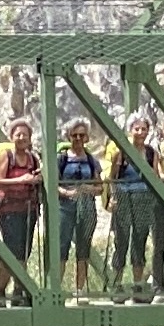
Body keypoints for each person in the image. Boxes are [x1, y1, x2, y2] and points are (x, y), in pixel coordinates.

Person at [109, 112, 163, 297]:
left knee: (139, 240)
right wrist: (113, 198)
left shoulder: (151, 153)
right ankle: (116, 284)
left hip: (144, 198)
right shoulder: (121, 153)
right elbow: (113, 178)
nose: (141, 132)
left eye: (144, 129)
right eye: (137, 129)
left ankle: (138, 285)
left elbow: (155, 177)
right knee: (121, 240)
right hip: (124, 198)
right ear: (130, 130)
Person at [0, 120, 45, 299]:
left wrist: (37, 180)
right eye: (18, 134)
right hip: (9, 209)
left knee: (24, 251)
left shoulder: (33, 159)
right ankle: (3, 290)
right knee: (12, 250)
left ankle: (17, 289)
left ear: (30, 138)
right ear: (11, 137)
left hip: (28, 208)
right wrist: (21, 180)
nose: (21, 138)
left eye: (25, 135)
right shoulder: (6, 156)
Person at [54, 121, 104, 297]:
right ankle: (57, 289)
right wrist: (66, 192)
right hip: (65, 207)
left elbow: (100, 187)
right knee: (61, 246)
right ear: (68, 137)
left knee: (83, 248)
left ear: (87, 137)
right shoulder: (61, 159)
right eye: (74, 135)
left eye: (81, 135)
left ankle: (80, 290)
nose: (78, 139)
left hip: (87, 207)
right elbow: (53, 184)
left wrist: (87, 189)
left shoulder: (91, 160)